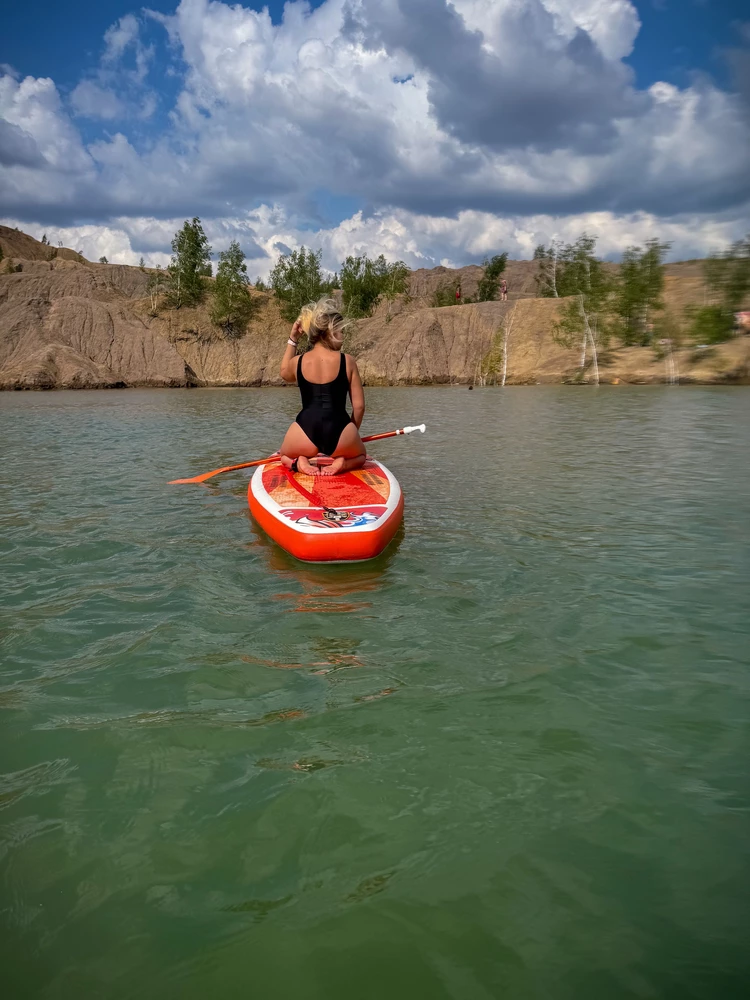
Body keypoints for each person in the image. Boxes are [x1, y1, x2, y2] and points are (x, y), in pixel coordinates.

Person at [279, 298, 366, 477]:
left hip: (304, 431)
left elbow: (284, 374)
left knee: (284, 456)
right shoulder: (347, 361)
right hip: (340, 429)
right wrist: (349, 437)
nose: (343, 336)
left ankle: (299, 461)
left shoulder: (298, 362)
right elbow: (359, 407)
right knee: (362, 457)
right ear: (330, 332)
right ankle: (342, 462)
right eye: (341, 331)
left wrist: (293, 338)